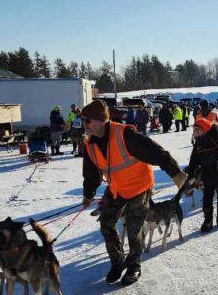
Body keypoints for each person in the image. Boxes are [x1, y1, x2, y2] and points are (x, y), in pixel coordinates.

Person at [80, 100, 187, 285]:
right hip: (117, 189)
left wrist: (175, 173)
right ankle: (118, 262)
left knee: (133, 227)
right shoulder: (90, 145)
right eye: (83, 121)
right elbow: (91, 173)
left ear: (100, 120)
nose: (84, 125)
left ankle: (133, 266)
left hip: (139, 187)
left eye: (87, 120)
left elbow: (155, 152)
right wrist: (88, 194)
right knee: (106, 222)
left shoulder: (124, 134)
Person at [185, 118, 218, 232]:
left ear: (205, 128)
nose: (195, 132)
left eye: (198, 129)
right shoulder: (198, 141)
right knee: (207, 196)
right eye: (194, 129)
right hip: (207, 172)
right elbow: (194, 158)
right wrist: (190, 174)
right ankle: (208, 220)